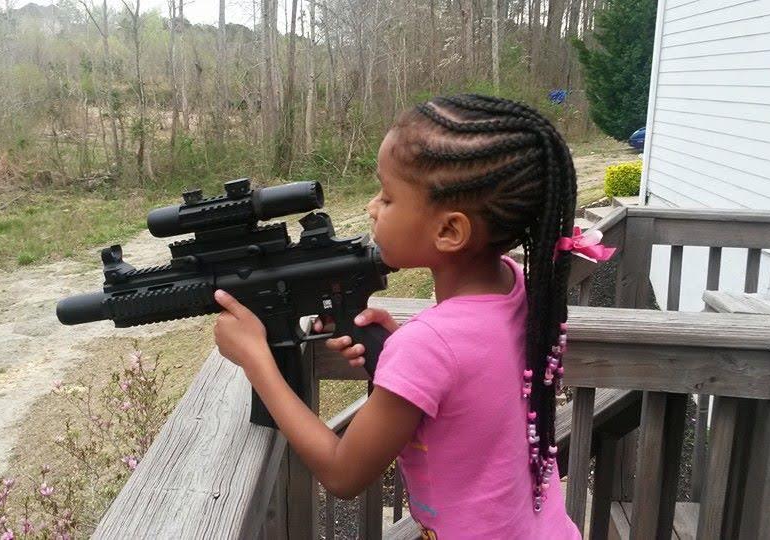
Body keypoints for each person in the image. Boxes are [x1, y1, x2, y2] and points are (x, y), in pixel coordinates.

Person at [213, 94, 612, 539]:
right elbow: (472, 379)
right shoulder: (516, 286)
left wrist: (256, 361)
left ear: (449, 231)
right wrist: (400, 353)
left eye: (387, 196)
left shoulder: (429, 346)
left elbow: (343, 474)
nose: (371, 208)